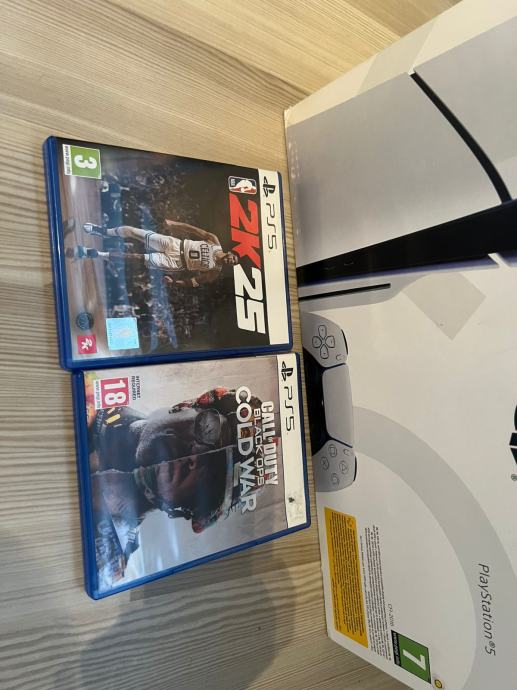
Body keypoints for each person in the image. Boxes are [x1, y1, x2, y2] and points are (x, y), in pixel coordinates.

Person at [67, 219, 239, 287]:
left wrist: (174, 282)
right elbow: (193, 229)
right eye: (233, 258)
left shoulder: (215, 271)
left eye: (233, 263)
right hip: (174, 244)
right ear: (230, 253)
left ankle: (95, 253)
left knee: (137, 257)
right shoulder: (214, 241)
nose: (231, 260)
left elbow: (194, 282)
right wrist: (174, 224)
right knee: (133, 231)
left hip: (176, 263)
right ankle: (103, 231)